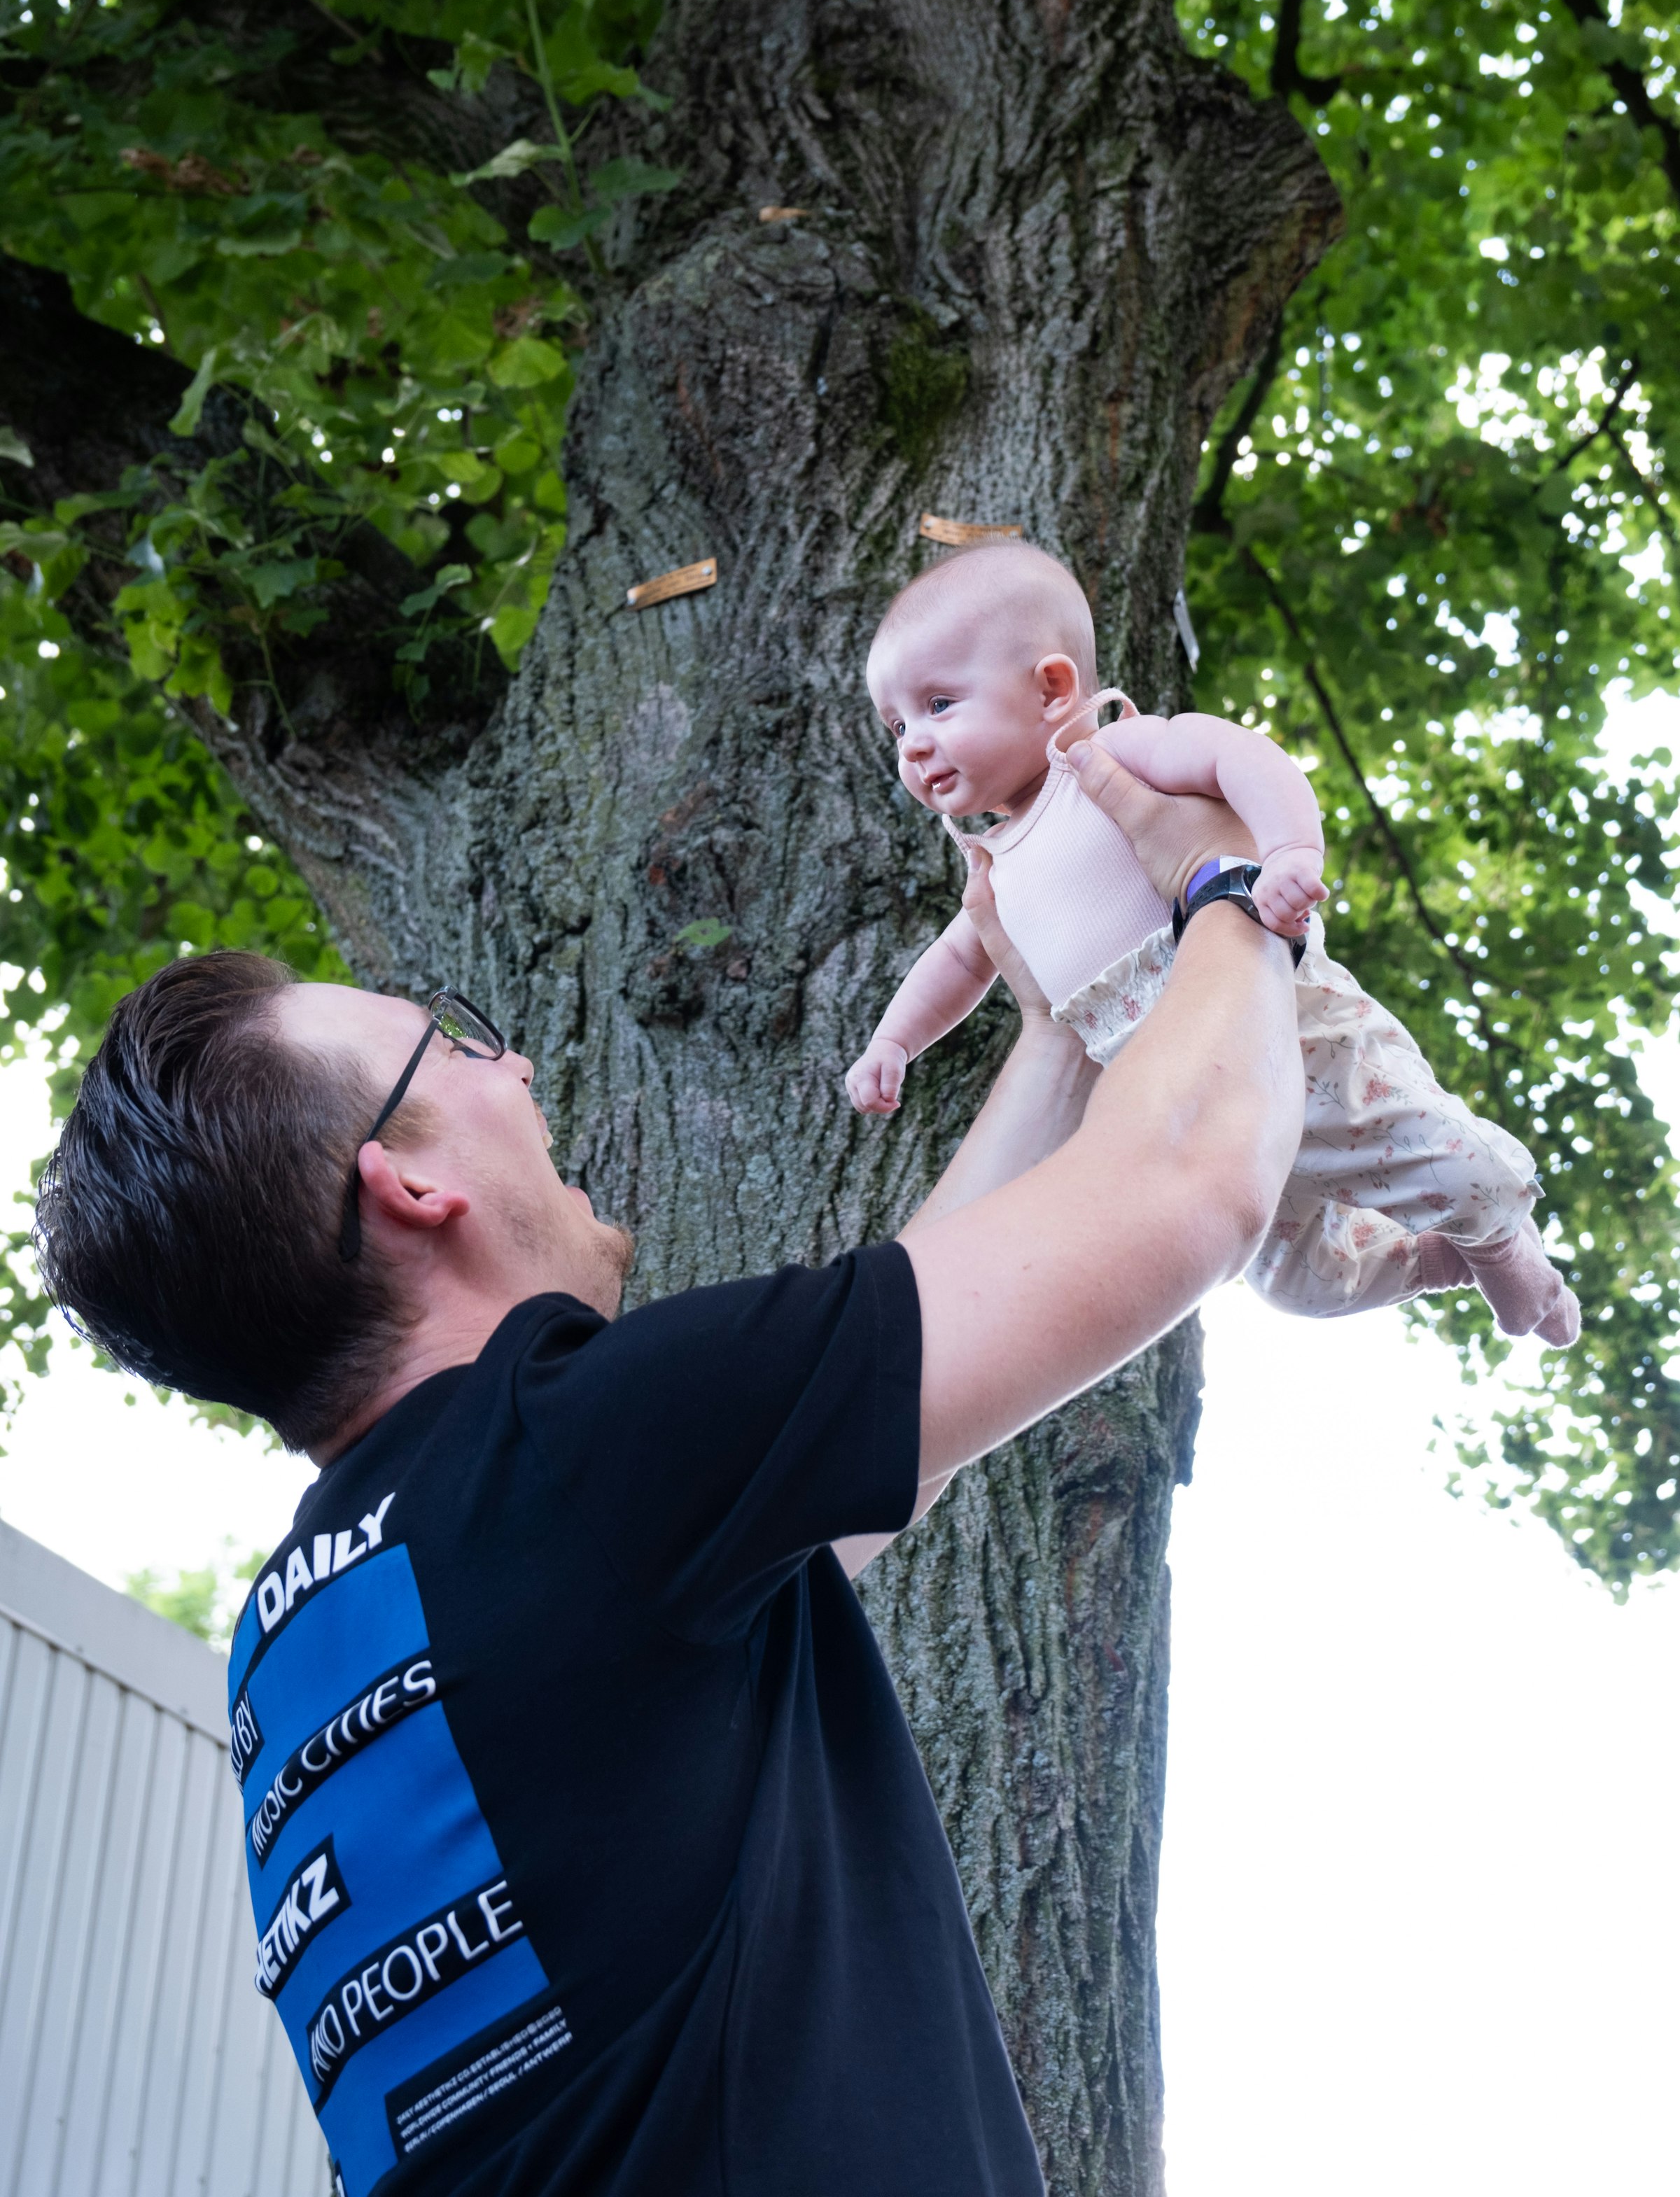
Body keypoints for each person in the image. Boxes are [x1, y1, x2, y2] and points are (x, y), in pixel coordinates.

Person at [34, 745, 1303, 2197]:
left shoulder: (306, 1646)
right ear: (410, 1184)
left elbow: (884, 1435)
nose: (515, 1063)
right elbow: (1193, 1179)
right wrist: (1228, 881)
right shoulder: (574, 1450)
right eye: (451, 1047)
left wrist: (1061, 1038)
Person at [847, 541, 1578, 1348]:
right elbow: (959, 961)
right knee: (1296, 1284)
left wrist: (1290, 852)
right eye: (898, 725)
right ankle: (1436, 1263)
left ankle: (1506, 1253)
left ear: (1052, 689)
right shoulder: (997, 862)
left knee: (1453, 1166)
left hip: (1289, 1034)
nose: (912, 744)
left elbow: (1240, 757)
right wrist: (895, 1041)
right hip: (1188, 1108)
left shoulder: (1111, 756)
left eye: (939, 704)